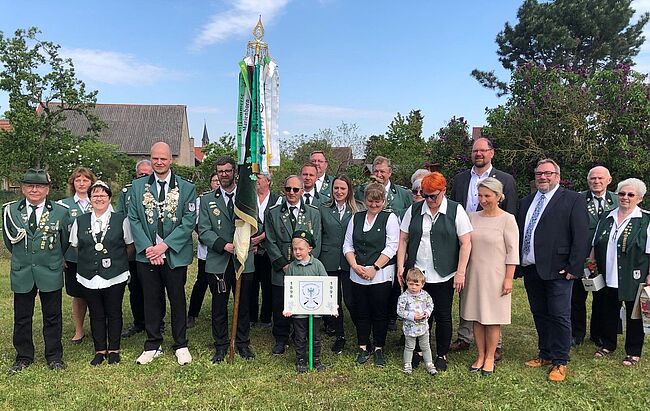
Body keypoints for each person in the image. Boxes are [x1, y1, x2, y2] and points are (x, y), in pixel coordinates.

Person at [516, 159, 589, 382]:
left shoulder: (572, 199)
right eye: (539, 173)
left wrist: (574, 267)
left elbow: (581, 235)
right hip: (532, 268)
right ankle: (545, 353)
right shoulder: (526, 201)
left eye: (548, 173)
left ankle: (560, 361)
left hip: (559, 270)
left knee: (559, 315)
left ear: (557, 176)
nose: (543, 177)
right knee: (540, 313)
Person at [128, 141, 196, 366]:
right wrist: (149, 247)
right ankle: (152, 343)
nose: (159, 162)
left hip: (173, 254)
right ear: (151, 158)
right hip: (147, 254)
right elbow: (134, 219)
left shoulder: (186, 188)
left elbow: (188, 222)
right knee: (151, 299)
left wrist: (164, 246)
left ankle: (181, 343)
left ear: (171, 160)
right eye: (155, 158)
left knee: (177, 298)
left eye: (163, 158)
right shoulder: (137, 188)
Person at [397, 172, 472, 372]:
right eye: (425, 195)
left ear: (443, 191)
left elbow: (466, 243)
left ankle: (441, 354)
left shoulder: (456, 210)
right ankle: (419, 351)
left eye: (433, 196)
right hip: (417, 274)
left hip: (444, 274)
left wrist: (461, 272)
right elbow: (403, 239)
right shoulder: (413, 210)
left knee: (443, 315)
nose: (429, 200)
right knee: (418, 314)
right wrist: (400, 266)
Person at [449, 137, 517, 356]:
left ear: (491, 153)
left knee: (491, 302)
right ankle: (464, 336)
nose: (478, 154)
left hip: (494, 248)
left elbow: (511, 214)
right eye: (475, 150)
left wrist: (509, 274)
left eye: (483, 150)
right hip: (468, 244)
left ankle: (494, 347)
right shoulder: (460, 179)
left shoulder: (505, 179)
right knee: (469, 297)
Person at [3, 168, 71, 372]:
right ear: (22, 188)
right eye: (30, 185)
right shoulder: (10, 211)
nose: (35, 190)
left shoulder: (60, 211)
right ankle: (23, 356)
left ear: (47, 190)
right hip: (22, 271)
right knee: (22, 317)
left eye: (40, 186)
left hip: (49, 270)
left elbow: (64, 242)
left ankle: (54, 356)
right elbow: (9, 242)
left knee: (53, 316)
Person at [198, 156, 256, 362]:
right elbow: (203, 231)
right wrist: (225, 245)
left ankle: (242, 343)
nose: (224, 174)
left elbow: (256, 223)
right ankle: (221, 345)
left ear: (235, 172)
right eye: (220, 171)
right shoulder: (206, 200)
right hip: (219, 261)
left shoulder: (247, 197)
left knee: (243, 305)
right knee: (219, 305)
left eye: (228, 171)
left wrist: (246, 244)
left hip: (243, 260)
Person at [70, 181, 134, 365]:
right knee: (96, 313)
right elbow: (76, 246)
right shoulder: (80, 221)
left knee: (114, 312)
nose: (99, 198)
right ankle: (100, 350)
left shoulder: (121, 219)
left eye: (102, 195)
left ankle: (114, 349)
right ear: (90, 199)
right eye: (95, 195)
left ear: (109, 198)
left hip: (115, 275)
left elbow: (129, 246)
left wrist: (115, 262)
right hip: (89, 275)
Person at [461, 177, 519, 376]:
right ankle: (480, 355)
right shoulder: (472, 217)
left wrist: (508, 278)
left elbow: (513, 252)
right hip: (474, 274)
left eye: (487, 196)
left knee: (492, 319)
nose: (483, 200)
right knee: (476, 317)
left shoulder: (507, 219)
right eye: (480, 195)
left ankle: (490, 357)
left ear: (498, 196)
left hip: (496, 275)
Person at [590, 178, 649, 366]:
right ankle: (608, 344)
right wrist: (591, 263)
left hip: (634, 275)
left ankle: (633, 351)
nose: (625, 197)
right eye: (622, 194)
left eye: (630, 195)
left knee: (634, 315)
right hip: (608, 273)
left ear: (639, 198)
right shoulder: (606, 216)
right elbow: (595, 243)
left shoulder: (645, 220)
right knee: (608, 311)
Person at [343, 182, 400, 367]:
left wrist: (374, 268)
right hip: (357, 273)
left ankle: (379, 347)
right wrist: (355, 266)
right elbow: (348, 245)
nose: (374, 205)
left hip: (381, 274)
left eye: (378, 201)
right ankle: (363, 346)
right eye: (370, 201)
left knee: (379, 312)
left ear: (383, 201)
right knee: (361, 311)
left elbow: (392, 246)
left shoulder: (389, 218)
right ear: (365, 200)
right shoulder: (356, 217)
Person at [265, 175, 322, 355]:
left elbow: (317, 241)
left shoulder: (313, 212)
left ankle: (303, 337)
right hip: (282, 268)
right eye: (288, 189)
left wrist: (306, 263)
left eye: (295, 189)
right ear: (284, 189)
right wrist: (283, 265)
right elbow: (270, 240)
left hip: (305, 269)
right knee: (281, 303)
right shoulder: (273, 213)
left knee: (305, 303)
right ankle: (281, 338)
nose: (291, 192)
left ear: (302, 191)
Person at [572, 166, 617, 346]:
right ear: (588, 180)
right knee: (577, 297)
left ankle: (598, 333)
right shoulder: (578, 199)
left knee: (603, 297)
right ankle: (576, 333)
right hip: (581, 256)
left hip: (606, 257)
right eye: (593, 178)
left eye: (600, 178)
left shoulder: (617, 199)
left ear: (609, 180)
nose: (596, 181)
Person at [319, 175, 364, 354]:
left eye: (342, 189)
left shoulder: (357, 210)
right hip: (328, 261)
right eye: (336, 188)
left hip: (349, 262)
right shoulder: (323, 209)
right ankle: (340, 336)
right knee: (333, 301)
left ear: (349, 190)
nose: (338, 192)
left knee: (351, 300)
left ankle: (361, 330)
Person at [118, 159, 160, 339]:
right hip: (133, 249)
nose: (143, 177)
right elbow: (121, 217)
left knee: (155, 287)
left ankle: (159, 322)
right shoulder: (128, 191)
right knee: (134, 287)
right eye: (140, 174)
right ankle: (139, 322)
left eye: (147, 174)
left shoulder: (159, 190)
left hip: (153, 248)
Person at [58, 167, 96, 344]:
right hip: (73, 258)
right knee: (78, 295)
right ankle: (79, 330)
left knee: (98, 292)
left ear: (91, 183)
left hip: (96, 258)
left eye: (85, 180)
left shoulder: (100, 201)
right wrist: (61, 255)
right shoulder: (63, 205)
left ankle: (99, 328)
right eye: (78, 180)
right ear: (73, 183)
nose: (81, 183)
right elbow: (58, 233)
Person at [282, 230, 328, 372]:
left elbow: (326, 285)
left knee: (315, 336)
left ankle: (316, 359)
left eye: (301, 249)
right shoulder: (292, 268)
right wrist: (288, 307)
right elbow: (288, 288)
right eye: (294, 249)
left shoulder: (317, 265)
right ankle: (301, 359)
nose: (297, 252)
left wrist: (332, 306)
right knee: (300, 336)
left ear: (310, 249)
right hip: (298, 311)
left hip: (315, 310)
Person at [187, 171, 220, 329]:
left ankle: (219, 313)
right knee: (202, 281)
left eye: (219, 180)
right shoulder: (202, 200)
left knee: (220, 284)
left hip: (222, 250)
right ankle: (192, 314)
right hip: (206, 249)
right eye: (214, 180)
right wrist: (204, 236)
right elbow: (195, 221)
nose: (217, 182)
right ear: (210, 183)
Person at [249, 172, 280, 328]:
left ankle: (266, 318)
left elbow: (278, 225)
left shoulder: (277, 200)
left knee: (268, 285)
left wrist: (261, 238)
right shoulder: (249, 198)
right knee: (252, 284)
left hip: (269, 250)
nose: (256, 181)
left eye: (259, 178)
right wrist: (251, 243)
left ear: (268, 181)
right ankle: (251, 317)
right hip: (251, 249)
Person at [397, 268, 436, 375]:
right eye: (411, 284)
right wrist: (412, 316)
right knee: (409, 347)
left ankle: (429, 364)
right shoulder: (404, 297)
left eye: (416, 284)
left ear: (422, 284)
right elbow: (400, 311)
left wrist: (426, 313)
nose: (413, 287)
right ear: (406, 283)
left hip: (423, 327)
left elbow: (430, 305)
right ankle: (407, 364)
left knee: (426, 346)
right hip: (410, 328)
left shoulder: (425, 295)